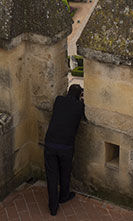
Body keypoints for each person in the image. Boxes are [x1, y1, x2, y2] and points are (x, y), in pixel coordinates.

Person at [44, 84, 86, 216]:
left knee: (52, 176)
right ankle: (64, 196)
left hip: (50, 144)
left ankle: (53, 207)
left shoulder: (58, 100)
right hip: (66, 147)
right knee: (65, 173)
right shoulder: (80, 106)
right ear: (80, 95)